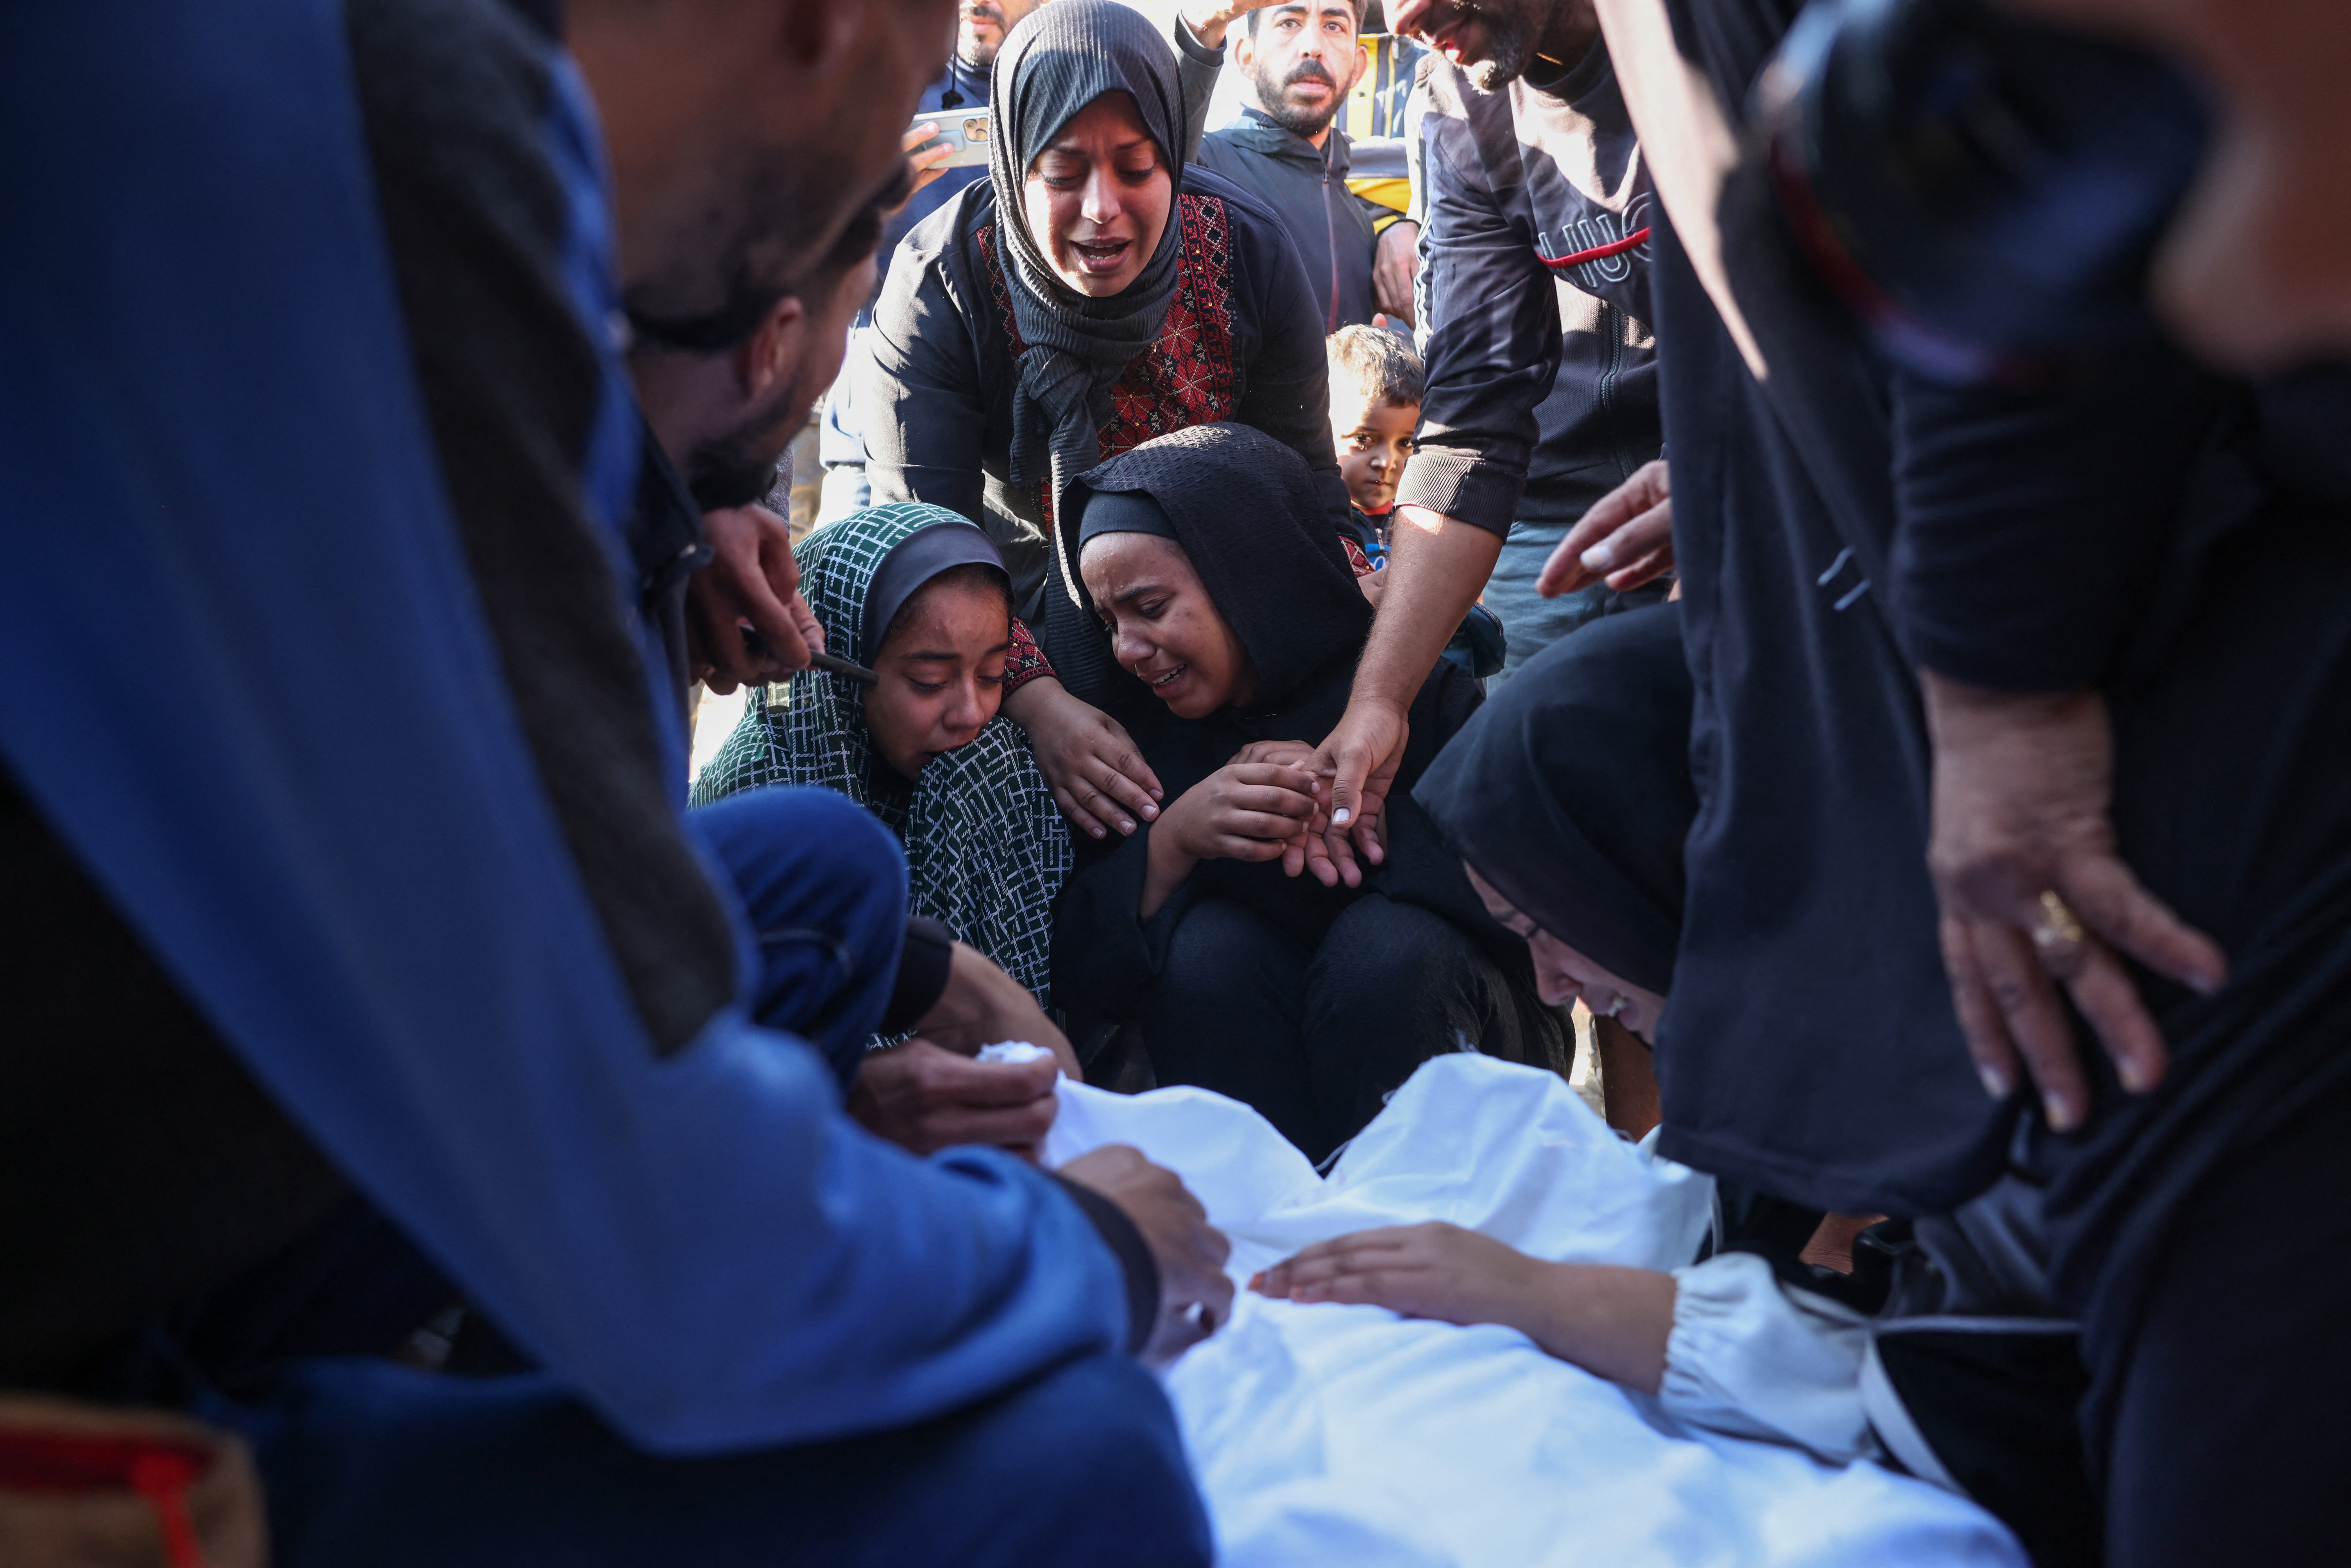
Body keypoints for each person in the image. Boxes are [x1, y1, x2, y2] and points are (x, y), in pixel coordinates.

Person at [0, 1, 1236, 1563]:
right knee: (1085, 1459)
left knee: (820, 873)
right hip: (63, 1382)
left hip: (152, 1118)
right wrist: (1081, 1246)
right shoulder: (371, 130)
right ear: (834, 30)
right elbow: (659, 1216)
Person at [1053, 424, 1568, 1164]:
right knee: (1203, 953)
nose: (1128, 649)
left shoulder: (1408, 685)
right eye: (1109, 623)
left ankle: (1412, 1233)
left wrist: (1348, 805)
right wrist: (1177, 837)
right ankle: (1272, 1233)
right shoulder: (1136, 745)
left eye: (1151, 607)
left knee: (1386, 953)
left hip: (1459, 1063)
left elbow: (1522, 901)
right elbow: (1081, 965)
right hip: (1270, 1076)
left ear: (1247, 574)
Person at [862, 0, 1353, 721]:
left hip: (1224, 628)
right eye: (1062, 172)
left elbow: (1303, 484)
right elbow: (929, 540)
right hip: (1009, 631)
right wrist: (1041, 706)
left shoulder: (1248, 250)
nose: (1102, 208)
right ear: (1011, 162)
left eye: (1136, 167)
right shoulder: (939, 285)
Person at [694, 505, 1071, 1026]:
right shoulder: (760, 800)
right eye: (929, 682)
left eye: (991, 674)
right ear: (843, 670)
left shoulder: (989, 763)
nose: (971, 713)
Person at [1193, 0, 1419, 331]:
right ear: (1246, 57)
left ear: (1357, 67)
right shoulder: (1204, 169)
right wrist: (1200, 32)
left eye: (1334, 26)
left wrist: (1399, 225)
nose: (1313, 46)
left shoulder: (1359, 223)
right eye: (1289, 23)